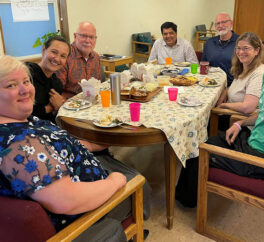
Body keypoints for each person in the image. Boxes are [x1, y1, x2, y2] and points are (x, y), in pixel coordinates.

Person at [0, 55, 151, 241]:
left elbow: (56, 145)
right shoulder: (18, 145)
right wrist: (115, 181)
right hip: (85, 213)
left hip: (82, 176)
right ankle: (133, 224)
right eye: (11, 85)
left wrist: (91, 145)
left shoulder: (21, 121)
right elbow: (65, 201)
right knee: (139, 182)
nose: (25, 90)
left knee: (121, 166)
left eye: (25, 81)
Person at [176, 19, 264, 208]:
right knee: (196, 145)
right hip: (249, 140)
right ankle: (186, 197)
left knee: (198, 154)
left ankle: (186, 203)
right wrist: (239, 124)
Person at [215, 32, 264, 130]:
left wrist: (224, 105)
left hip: (239, 122)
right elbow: (238, 86)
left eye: (246, 48)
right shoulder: (244, 67)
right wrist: (225, 91)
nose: (240, 52)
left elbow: (247, 107)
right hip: (230, 115)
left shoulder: (259, 74)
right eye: (238, 48)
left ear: (257, 50)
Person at [26, 36, 70, 123]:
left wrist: (58, 107)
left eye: (63, 56)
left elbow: (54, 114)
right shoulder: (27, 74)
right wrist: (50, 108)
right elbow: (20, 111)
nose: (57, 59)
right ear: (43, 50)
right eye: (54, 52)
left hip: (50, 128)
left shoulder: (57, 83)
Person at [56, 21, 102, 99]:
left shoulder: (96, 57)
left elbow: (97, 85)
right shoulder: (65, 56)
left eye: (91, 37)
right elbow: (57, 91)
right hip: (71, 105)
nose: (88, 40)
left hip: (92, 101)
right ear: (75, 36)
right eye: (84, 36)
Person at [201, 13, 239, 86]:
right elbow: (204, 65)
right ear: (215, 27)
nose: (221, 26)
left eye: (224, 22)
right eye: (218, 23)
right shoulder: (209, 43)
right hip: (211, 84)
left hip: (232, 86)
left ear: (231, 23)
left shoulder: (240, 42)